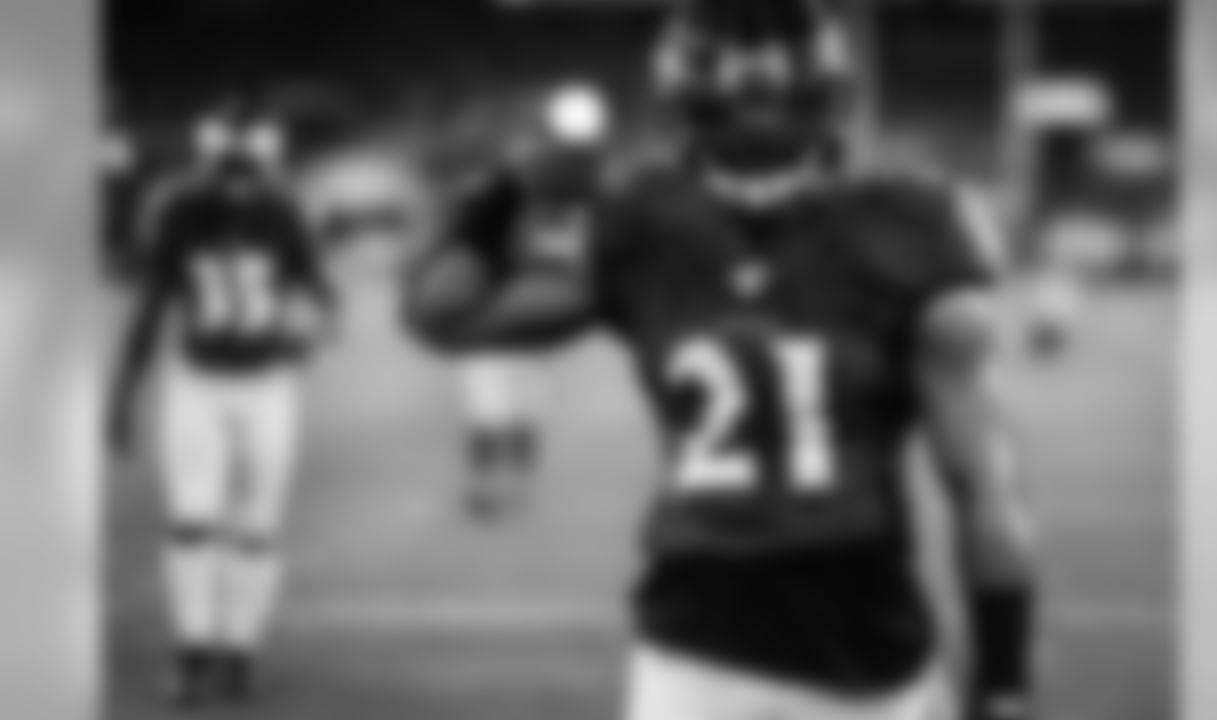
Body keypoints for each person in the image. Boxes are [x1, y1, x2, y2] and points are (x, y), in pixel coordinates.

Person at [403, 1, 1038, 719]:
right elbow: (986, 487)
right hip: (754, 644)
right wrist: (1004, 678)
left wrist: (504, 190)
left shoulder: (896, 218)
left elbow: (445, 316)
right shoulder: (905, 219)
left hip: (807, 647)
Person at [109, 111, 335, 708]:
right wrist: (123, 391)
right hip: (199, 383)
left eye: (247, 173)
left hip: (268, 385)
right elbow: (152, 303)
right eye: (227, 173)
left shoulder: (284, 214)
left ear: (266, 170)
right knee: (192, 521)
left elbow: (321, 294)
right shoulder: (181, 213)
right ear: (208, 169)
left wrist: (310, 326)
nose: (237, 186)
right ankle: (193, 655)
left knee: (257, 528)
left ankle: (239, 655)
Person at [434, 86, 610, 520]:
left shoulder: (554, 198)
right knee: (485, 412)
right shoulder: (483, 195)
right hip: (484, 317)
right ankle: (484, 484)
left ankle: (517, 485)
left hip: (526, 318)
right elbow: (456, 247)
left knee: (525, 412)